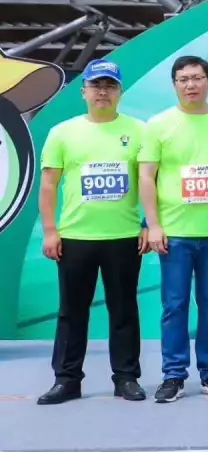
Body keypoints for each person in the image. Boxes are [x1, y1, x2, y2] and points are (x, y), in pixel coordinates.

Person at [36, 59, 148, 405]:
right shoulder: (62, 132)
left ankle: (126, 378)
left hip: (124, 237)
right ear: (83, 91)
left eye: (110, 86)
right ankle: (67, 380)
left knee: (124, 310)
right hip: (75, 238)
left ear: (120, 92)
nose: (103, 92)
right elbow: (48, 185)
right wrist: (51, 230)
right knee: (72, 313)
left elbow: (152, 182)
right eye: (96, 85)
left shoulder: (140, 131)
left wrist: (147, 224)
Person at [139, 55, 208, 403]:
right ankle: (173, 375)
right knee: (174, 305)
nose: (191, 85)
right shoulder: (158, 124)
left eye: (197, 78)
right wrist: (153, 225)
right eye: (183, 79)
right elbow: (146, 177)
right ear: (174, 85)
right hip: (174, 233)